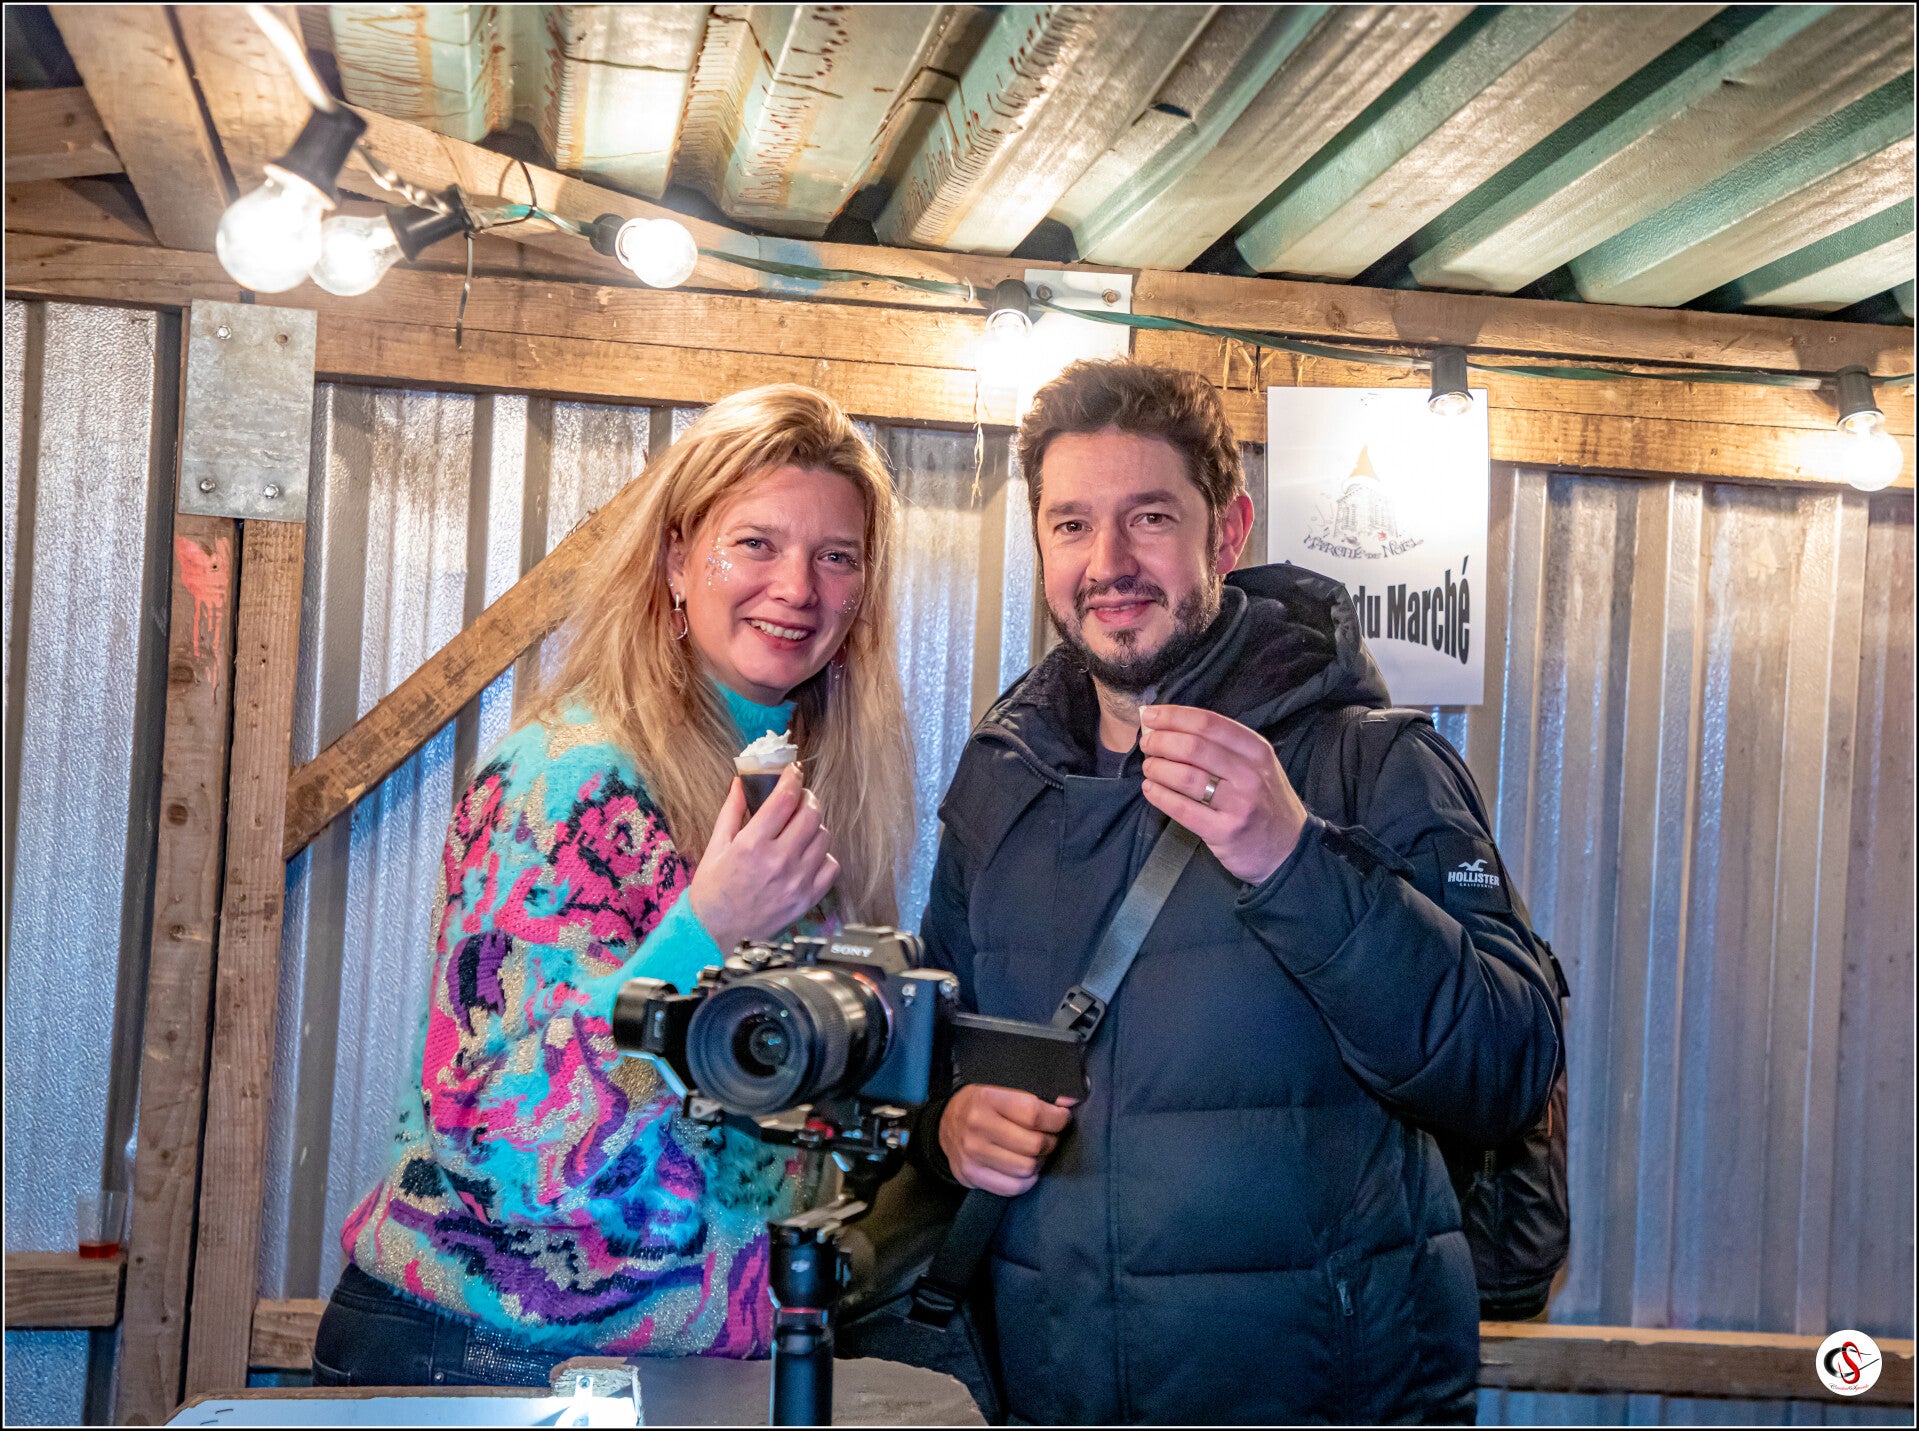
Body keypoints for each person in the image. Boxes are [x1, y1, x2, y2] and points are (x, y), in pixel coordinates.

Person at [917, 360, 1561, 1423]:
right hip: (1053, 1396)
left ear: (1226, 532)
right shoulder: (1002, 781)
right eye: (1071, 524)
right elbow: (936, 1043)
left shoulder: (1372, 764)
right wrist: (950, 1123)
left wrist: (1294, 858)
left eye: (1149, 518)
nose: (1108, 563)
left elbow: (1507, 1065)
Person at [311, 385, 914, 1386]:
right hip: (492, 1364)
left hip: (679, 1369)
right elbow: (502, 1141)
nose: (797, 587)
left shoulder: (792, 792)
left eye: (836, 555)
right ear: (677, 560)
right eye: (755, 543)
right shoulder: (569, 779)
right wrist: (703, 931)